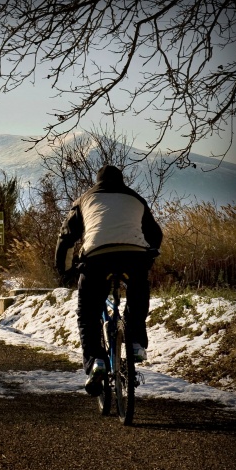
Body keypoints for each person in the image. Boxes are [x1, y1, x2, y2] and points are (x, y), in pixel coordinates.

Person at [55, 165, 163, 396]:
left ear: (97, 181)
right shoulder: (136, 199)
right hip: (134, 256)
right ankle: (135, 343)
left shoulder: (85, 199)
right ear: (121, 181)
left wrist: (64, 271)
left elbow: (66, 238)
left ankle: (96, 360)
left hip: (97, 259)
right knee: (138, 290)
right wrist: (150, 254)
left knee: (87, 312)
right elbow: (155, 234)